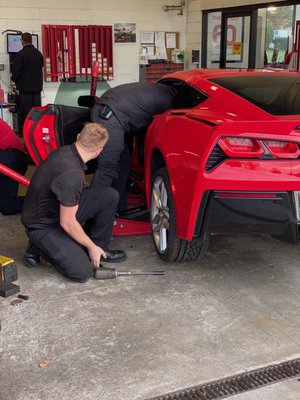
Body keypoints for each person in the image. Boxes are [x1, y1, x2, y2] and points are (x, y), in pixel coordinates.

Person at [21, 122, 126, 283]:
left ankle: (99, 250)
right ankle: (38, 246)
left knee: (108, 196)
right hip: (42, 224)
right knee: (82, 272)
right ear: (99, 151)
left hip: (54, 208)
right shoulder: (72, 175)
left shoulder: (66, 151)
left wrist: (93, 246)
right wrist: (89, 246)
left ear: (78, 137)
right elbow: (68, 222)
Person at [90, 82, 178, 211]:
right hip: (111, 118)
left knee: (122, 163)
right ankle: (90, 216)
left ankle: (118, 210)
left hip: (104, 110)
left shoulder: (161, 89)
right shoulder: (171, 102)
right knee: (108, 168)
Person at [11, 32, 44, 134]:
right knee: (37, 112)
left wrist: (15, 80)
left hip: (25, 89)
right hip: (37, 89)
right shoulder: (38, 54)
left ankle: (26, 133)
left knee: (26, 112)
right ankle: (36, 132)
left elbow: (16, 72)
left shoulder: (20, 54)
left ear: (22, 41)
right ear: (31, 40)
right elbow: (41, 66)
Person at [0, 118, 28, 215]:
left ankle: (47, 202)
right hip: (6, 160)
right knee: (7, 206)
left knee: (8, 207)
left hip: (13, 159)